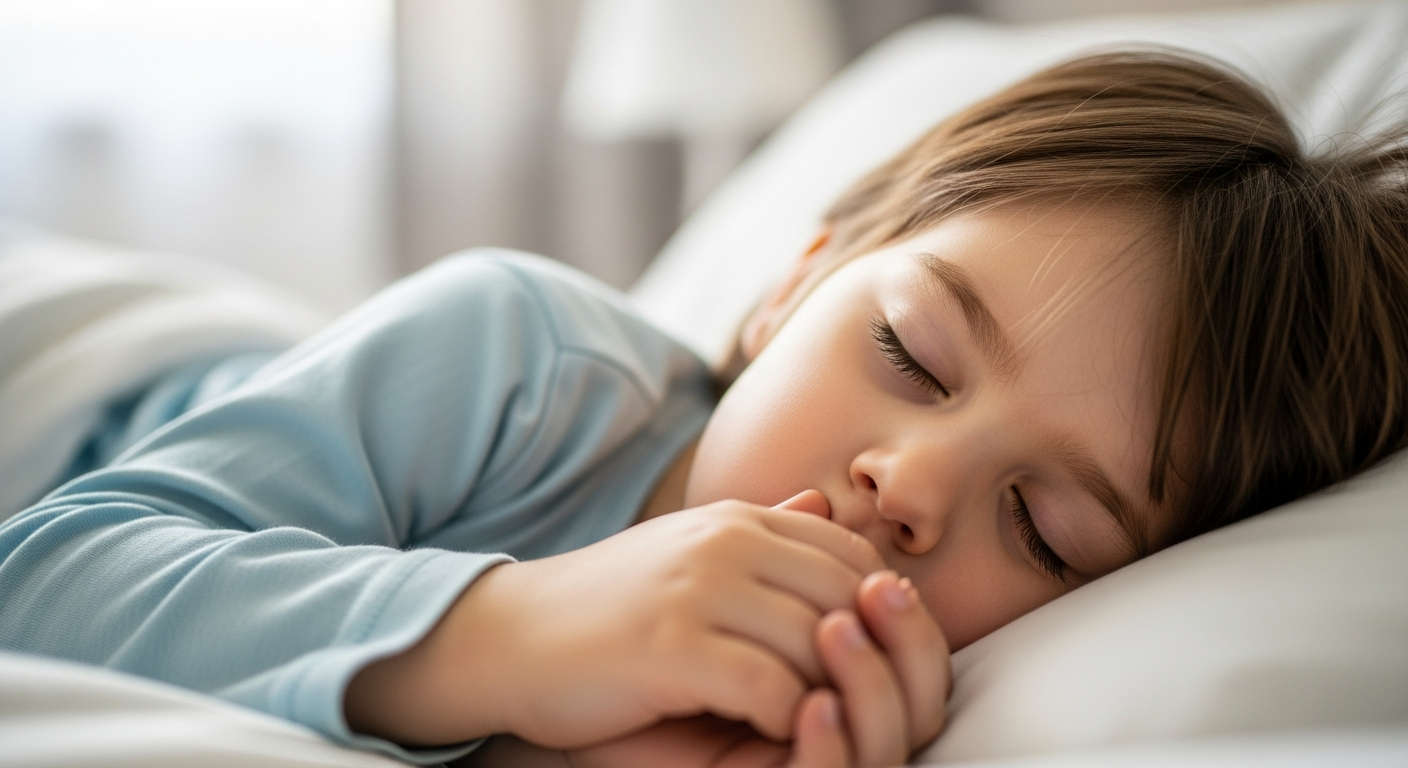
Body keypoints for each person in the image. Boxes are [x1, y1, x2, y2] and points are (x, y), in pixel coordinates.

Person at [2, 49, 1407, 768]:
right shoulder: (520, 359)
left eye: (1041, 529)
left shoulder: (838, 718)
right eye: (911, 354)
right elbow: (48, 580)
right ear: (791, 287)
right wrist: (504, 632)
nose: (907, 487)